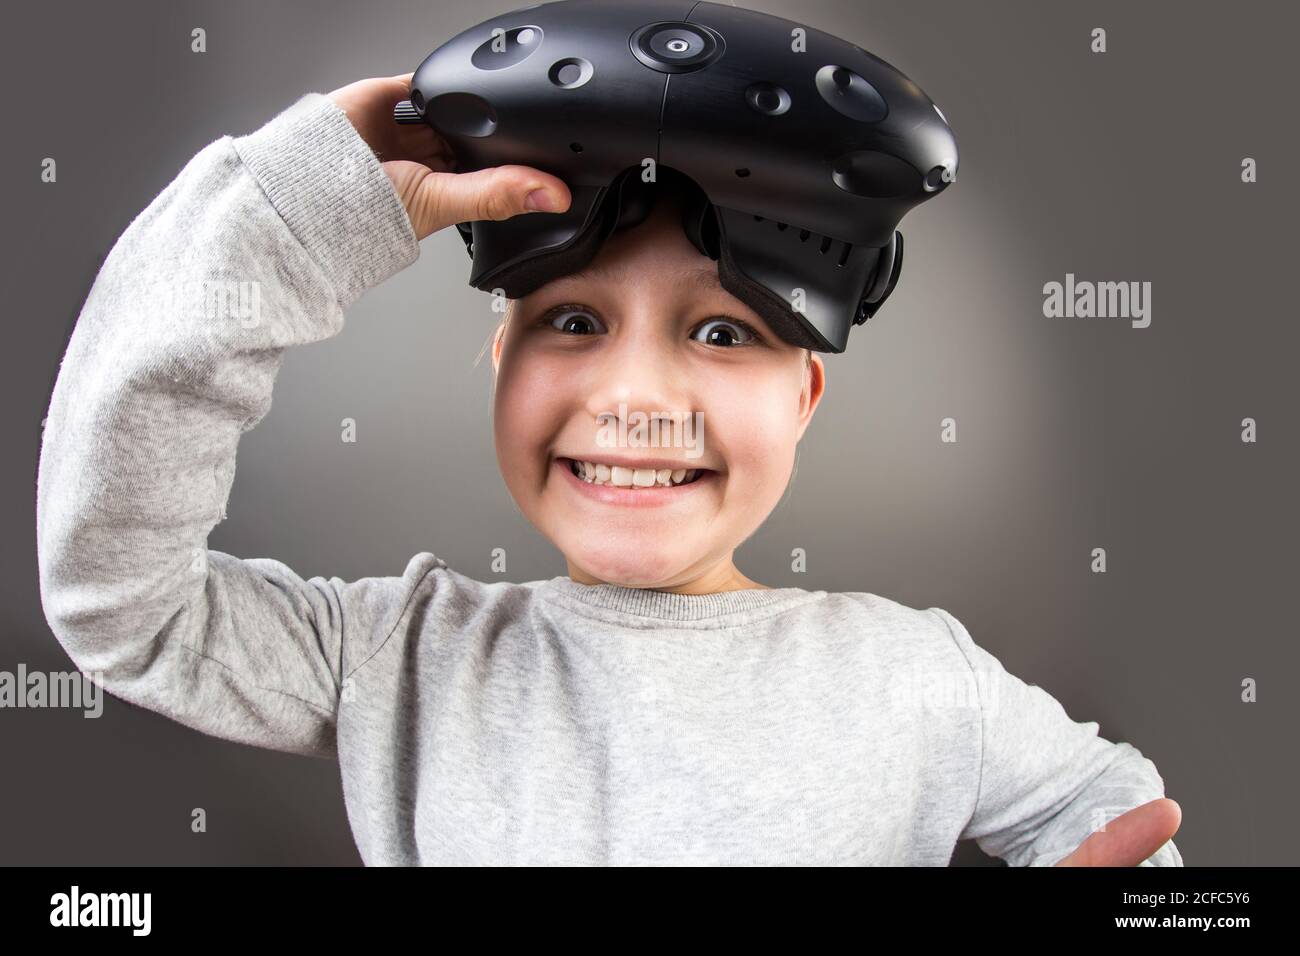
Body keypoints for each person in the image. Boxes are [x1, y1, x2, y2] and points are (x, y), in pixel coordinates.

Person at [35, 73, 1183, 865]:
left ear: (804, 396)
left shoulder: (913, 676)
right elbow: (119, 599)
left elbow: (1113, 805)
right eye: (575, 321)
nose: (633, 395)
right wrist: (293, 208)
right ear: (500, 361)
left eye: (723, 332)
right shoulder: (399, 657)